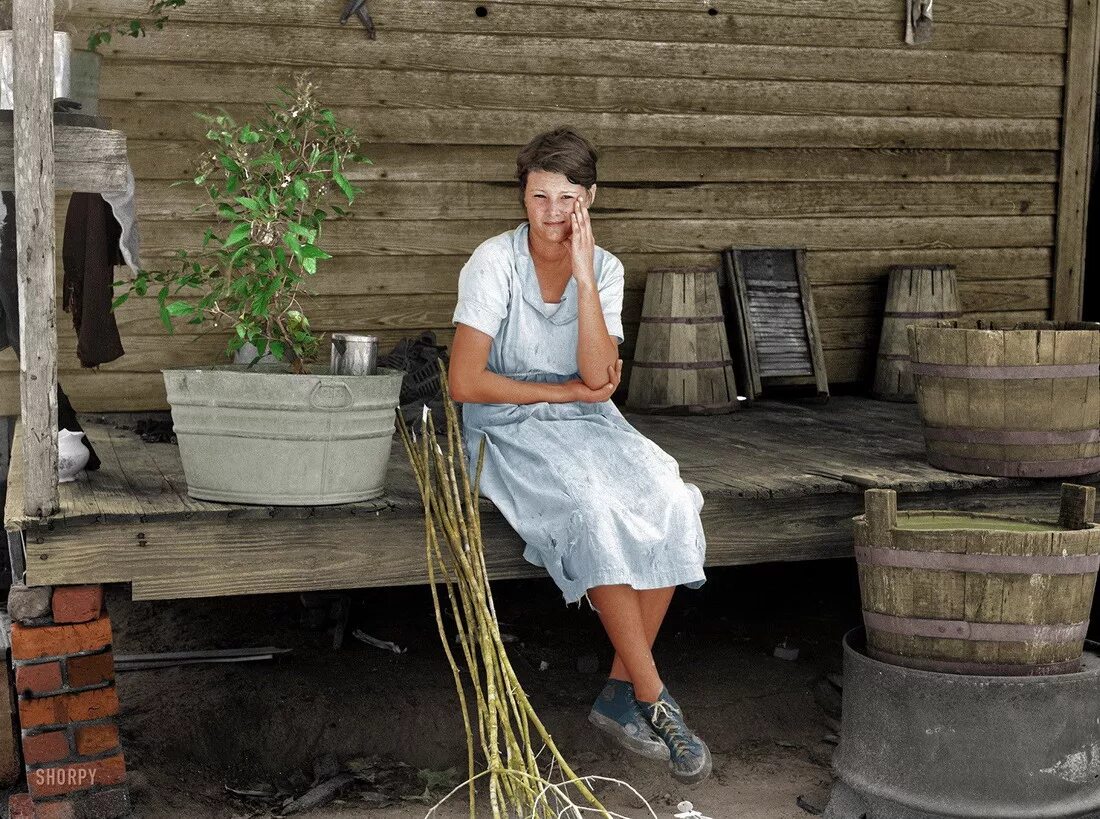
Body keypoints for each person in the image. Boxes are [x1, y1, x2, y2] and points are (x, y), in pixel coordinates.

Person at [447, 126, 711, 784]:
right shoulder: (493, 263)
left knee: (670, 496)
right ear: (523, 198)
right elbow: (465, 380)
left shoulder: (609, 269)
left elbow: (599, 377)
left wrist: (588, 283)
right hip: (507, 426)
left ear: (589, 199)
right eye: (541, 197)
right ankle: (652, 698)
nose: (554, 212)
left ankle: (622, 694)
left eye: (568, 198)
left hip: (588, 422)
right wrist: (557, 390)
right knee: (594, 510)